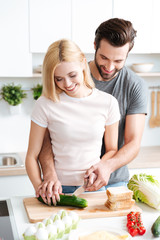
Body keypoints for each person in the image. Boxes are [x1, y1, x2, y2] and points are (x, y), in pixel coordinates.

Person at [36, 18, 148, 204]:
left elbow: (133, 143)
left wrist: (106, 166)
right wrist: (48, 172)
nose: (110, 67)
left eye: (118, 60)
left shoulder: (135, 86)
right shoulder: (70, 77)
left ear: (128, 54)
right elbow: (46, 136)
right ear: (95, 45)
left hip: (115, 181)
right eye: (104, 58)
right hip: (65, 182)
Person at [25, 39, 120, 205]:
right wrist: (40, 188)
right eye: (58, 79)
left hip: (93, 188)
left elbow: (112, 149)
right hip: (58, 190)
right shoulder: (45, 104)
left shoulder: (108, 102)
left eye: (72, 75)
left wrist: (102, 168)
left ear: (83, 62)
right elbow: (31, 156)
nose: (67, 84)